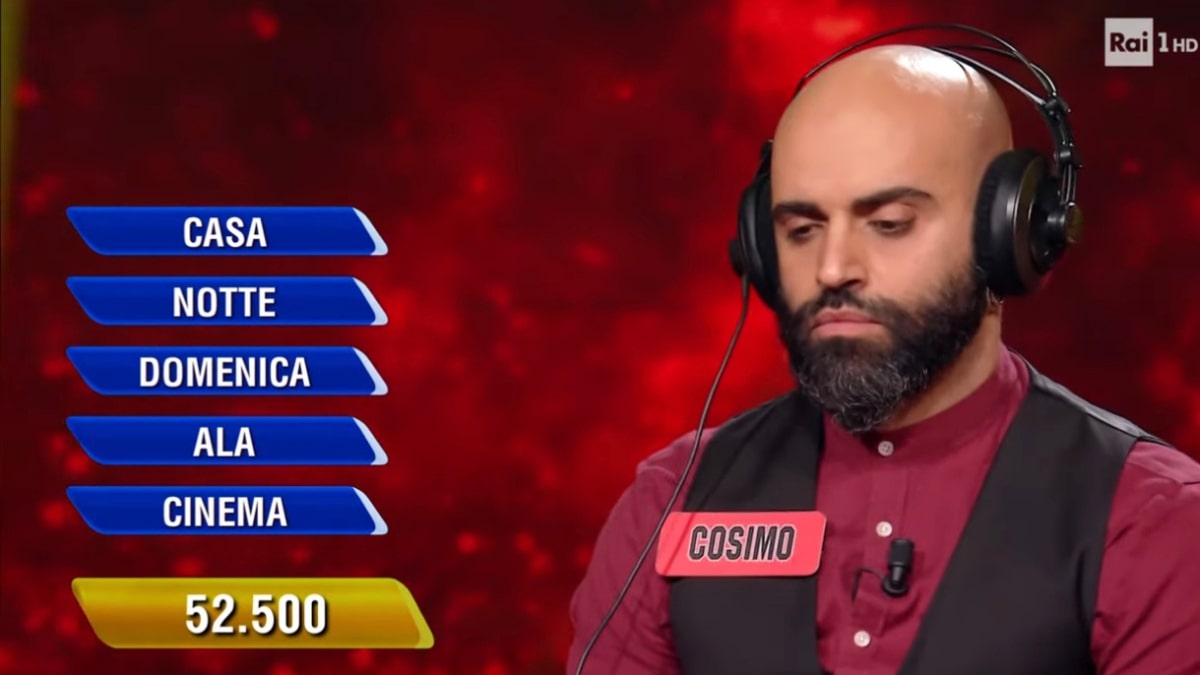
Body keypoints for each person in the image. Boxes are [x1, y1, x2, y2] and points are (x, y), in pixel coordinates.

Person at [566, 38, 1200, 675]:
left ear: (1009, 236)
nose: (833, 268)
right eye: (802, 230)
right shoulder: (672, 500)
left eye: (889, 223)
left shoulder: (1151, 519)